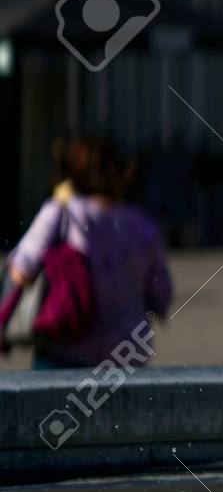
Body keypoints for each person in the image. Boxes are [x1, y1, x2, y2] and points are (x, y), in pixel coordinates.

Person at [6, 136, 172, 368]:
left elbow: (21, 271)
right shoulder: (142, 226)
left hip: (66, 348)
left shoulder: (61, 213)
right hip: (126, 357)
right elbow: (161, 294)